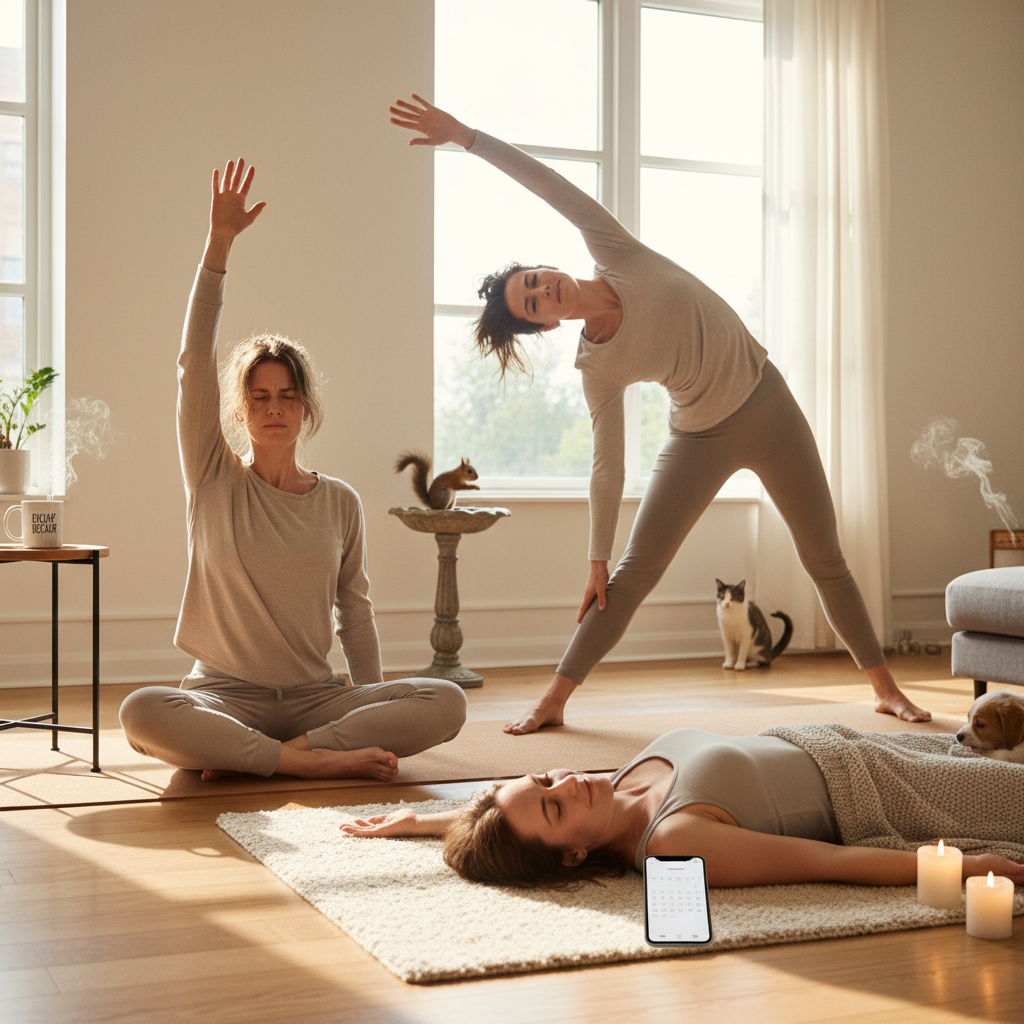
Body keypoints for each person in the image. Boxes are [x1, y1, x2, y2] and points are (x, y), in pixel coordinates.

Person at [390, 94, 930, 733]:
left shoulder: (614, 250)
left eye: (534, 281)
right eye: (533, 306)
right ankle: (554, 700)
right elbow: (607, 466)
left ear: (547, 267)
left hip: (768, 403)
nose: (542, 293)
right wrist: (595, 557)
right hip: (699, 435)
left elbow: (549, 185)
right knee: (629, 576)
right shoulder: (595, 366)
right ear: (545, 324)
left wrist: (466, 136)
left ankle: (886, 688)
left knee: (825, 560)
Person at [119, 159, 467, 782]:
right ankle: (305, 762)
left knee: (447, 699)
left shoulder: (340, 501)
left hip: (317, 699)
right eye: (259, 396)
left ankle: (290, 752)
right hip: (224, 696)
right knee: (142, 711)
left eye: (286, 395)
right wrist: (217, 246)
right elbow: (193, 361)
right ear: (241, 408)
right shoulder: (212, 478)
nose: (274, 407)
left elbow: (354, 613)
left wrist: (374, 703)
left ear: (306, 407)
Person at [340, 726, 1024, 889]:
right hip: (891, 793)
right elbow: (829, 861)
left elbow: (509, 812)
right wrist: (965, 866)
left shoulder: (612, 789)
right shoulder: (672, 844)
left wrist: (428, 821)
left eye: (545, 777)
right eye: (554, 808)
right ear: (575, 854)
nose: (568, 782)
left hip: (848, 741)